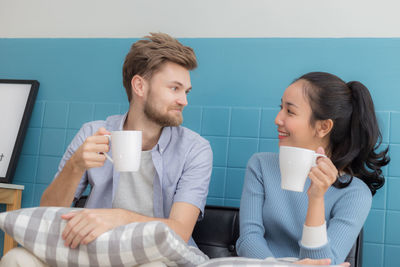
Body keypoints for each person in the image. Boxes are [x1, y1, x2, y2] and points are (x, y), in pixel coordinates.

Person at [1, 33, 212, 266]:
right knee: (16, 258)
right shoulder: (93, 132)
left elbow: (180, 231)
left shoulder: (195, 149)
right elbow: (47, 211)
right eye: (175, 89)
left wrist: (119, 218)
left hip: (155, 255)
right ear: (140, 86)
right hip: (95, 250)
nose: (184, 101)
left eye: (186, 91)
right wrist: (76, 165)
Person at [236, 72, 389, 265]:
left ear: (323, 127)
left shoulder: (356, 194)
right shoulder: (260, 166)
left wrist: (316, 198)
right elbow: (248, 239)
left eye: (290, 111)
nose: (277, 118)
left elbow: (323, 262)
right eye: (280, 107)